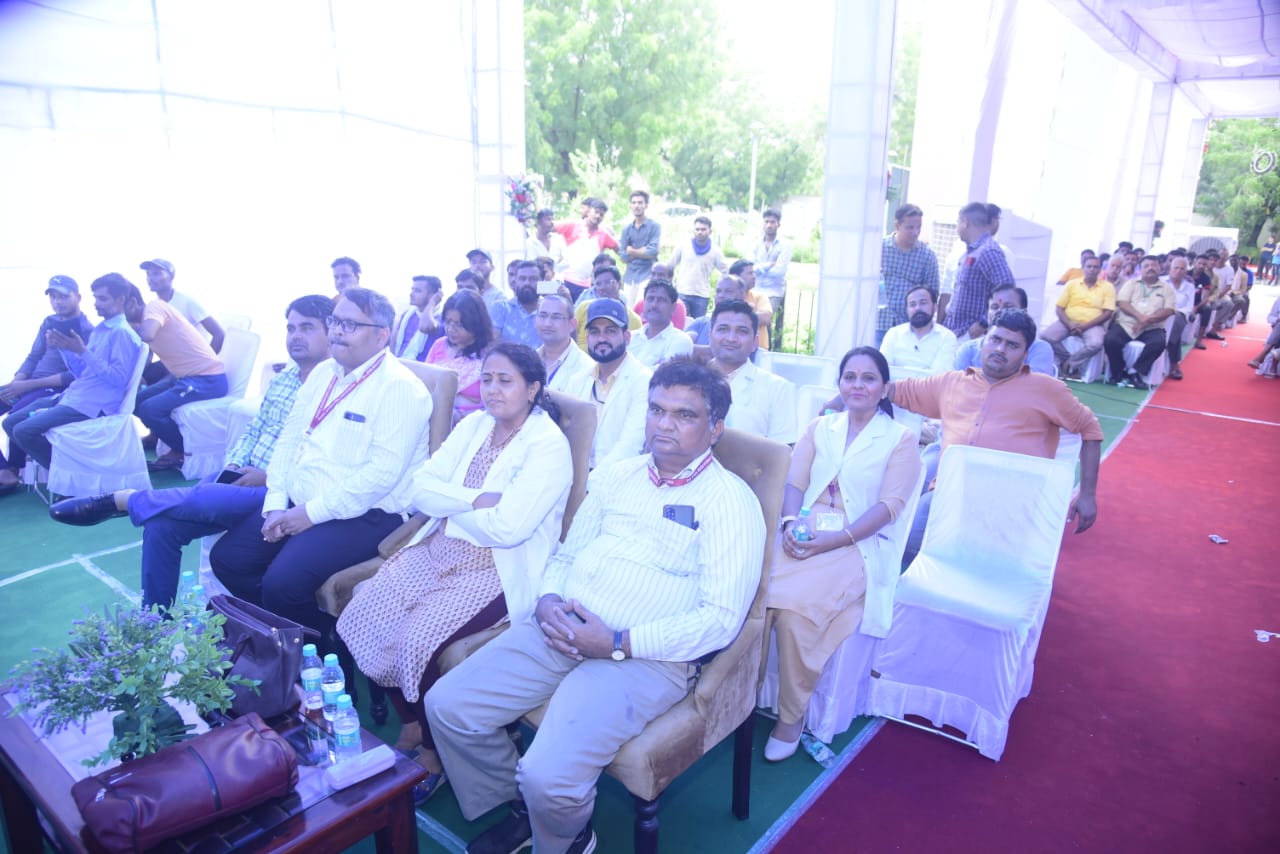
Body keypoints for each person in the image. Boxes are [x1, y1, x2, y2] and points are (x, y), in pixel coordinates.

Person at [424, 358, 765, 854]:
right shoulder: (617, 475)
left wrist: (617, 643)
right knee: (448, 707)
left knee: (546, 775)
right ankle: (527, 810)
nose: (664, 424)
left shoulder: (731, 502)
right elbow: (566, 555)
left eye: (685, 415)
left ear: (715, 429)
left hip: (645, 659)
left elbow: (720, 620)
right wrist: (548, 600)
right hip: (562, 628)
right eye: (656, 409)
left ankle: (566, 838)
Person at [338, 342, 573, 800]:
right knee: (363, 612)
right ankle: (411, 724)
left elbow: (508, 529)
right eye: (486, 379)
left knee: (418, 643)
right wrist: (476, 500)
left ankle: (433, 753)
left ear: (532, 389)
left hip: (496, 567)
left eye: (505, 381)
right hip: (439, 545)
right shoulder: (474, 425)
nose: (492, 390)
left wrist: (451, 503)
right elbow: (420, 489)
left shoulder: (547, 445)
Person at [47, 296, 335, 608]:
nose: (295, 336)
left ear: (332, 332)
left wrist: (266, 476)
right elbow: (253, 430)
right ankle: (155, 620)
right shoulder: (283, 380)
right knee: (161, 526)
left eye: (307, 328)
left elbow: (324, 458)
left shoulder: (336, 389)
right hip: (243, 475)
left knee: (205, 495)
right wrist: (235, 463)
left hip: (281, 490)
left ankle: (124, 500)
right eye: (291, 328)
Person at [210, 287, 432, 639]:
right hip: (302, 501)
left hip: (369, 513)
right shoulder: (324, 372)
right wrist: (275, 503)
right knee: (228, 559)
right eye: (335, 321)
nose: (337, 332)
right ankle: (288, 637)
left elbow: (381, 476)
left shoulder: (401, 389)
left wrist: (310, 514)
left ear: (382, 336)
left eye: (350, 325)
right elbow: (289, 441)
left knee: (283, 584)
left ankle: (326, 649)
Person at [764, 347, 922, 760]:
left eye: (868, 378)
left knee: (797, 616)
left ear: (884, 388)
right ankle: (739, 693)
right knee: (754, 597)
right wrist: (789, 525)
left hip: (857, 541)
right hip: (803, 528)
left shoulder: (901, 440)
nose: (857, 385)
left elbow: (889, 507)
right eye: (849, 376)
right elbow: (795, 483)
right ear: (840, 383)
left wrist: (835, 540)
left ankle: (791, 716)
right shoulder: (821, 427)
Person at [895, 309, 1104, 563]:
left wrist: (1087, 494)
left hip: (1009, 507)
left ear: (1025, 354)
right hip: (947, 496)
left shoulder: (1046, 390)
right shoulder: (952, 383)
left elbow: (1090, 429)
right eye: (995, 340)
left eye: (1012, 345)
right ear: (983, 342)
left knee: (982, 567)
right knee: (908, 548)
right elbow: (894, 391)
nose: (1000, 349)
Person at [4, 273, 144, 482]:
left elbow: (118, 379)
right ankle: (68, 470)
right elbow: (82, 373)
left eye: (102, 299)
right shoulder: (102, 330)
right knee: (11, 423)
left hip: (93, 404)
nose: (96, 304)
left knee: (24, 431)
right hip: (74, 396)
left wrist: (83, 351)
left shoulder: (121, 333)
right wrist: (66, 348)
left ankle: (75, 479)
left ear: (120, 300)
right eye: (95, 298)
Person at [0, 276, 96, 490]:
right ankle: (4, 471)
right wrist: (17, 382)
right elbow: (33, 356)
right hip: (28, 383)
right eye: (53, 297)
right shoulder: (49, 322)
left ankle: (13, 469)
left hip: (53, 389)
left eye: (63, 296)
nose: (57, 302)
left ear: (78, 297)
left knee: (15, 416)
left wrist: (27, 386)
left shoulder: (88, 331)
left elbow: (77, 375)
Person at [126, 289, 229, 471]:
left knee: (150, 409)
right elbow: (146, 349)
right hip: (182, 376)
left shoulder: (154, 308)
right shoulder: (143, 319)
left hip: (207, 379)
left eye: (111, 304)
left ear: (132, 302)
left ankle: (181, 451)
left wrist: (122, 327)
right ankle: (167, 437)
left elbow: (148, 335)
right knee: (134, 401)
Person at [561, 299, 651, 476]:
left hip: (618, 480)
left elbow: (630, 446)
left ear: (627, 337)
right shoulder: (577, 380)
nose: (601, 339)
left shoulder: (644, 381)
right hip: (572, 476)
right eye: (595, 332)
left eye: (610, 331)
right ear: (587, 338)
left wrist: (587, 483)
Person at [708, 299, 799, 443]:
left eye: (742, 331)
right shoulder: (687, 379)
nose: (731, 338)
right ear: (710, 335)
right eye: (723, 329)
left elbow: (783, 450)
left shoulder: (777, 388)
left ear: (755, 342)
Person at [940, 202, 1016, 337]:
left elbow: (1007, 292)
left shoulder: (988, 251)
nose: (957, 228)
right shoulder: (973, 250)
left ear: (964, 222)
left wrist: (984, 323)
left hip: (971, 334)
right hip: (955, 331)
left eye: (957, 223)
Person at [1103, 256, 1175, 389]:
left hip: (1152, 327)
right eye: (1146, 266)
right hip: (1127, 325)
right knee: (1110, 340)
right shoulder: (1130, 284)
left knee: (1158, 343)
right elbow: (1122, 303)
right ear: (1140, 269)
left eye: (1154, 265)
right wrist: (1140, 317)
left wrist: (1146, 321)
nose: (1150, 268)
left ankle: (1136, 371)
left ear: (1160, 268)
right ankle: (1119, 371)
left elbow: (1168, 310)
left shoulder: (1167, 289)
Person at [1038, 255, 1116, 379]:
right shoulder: (1072, 284)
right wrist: (1070, 324)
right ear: (1083, 268)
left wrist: (1085, 326)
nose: (1092, 269)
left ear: (1100, 270)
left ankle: (1070, 363)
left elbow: (1108, 313)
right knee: (1045, 336)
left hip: (1093, 324)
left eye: (1095, 267)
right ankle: (1066, 359)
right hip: (1068, 321)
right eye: (1089, 266)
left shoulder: (1108, 287)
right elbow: (1059, 308)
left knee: (1096, 343)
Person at [954, 285, 1056, 376]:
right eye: (994, 307)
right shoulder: (969, 349)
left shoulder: (1039, 349)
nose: (1000, 311)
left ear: (1024, 312)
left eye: (1008, 307)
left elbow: (1037, 387)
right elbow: (956, 385)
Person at [427, 289, 494, 423]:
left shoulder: (489, 356)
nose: (451, 329)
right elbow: (425, 385)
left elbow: (492, 402)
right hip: (434, 419)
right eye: (448, 321)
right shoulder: (439, 346)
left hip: (474, 423)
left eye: (459, 324)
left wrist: (460, 416)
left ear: (475, 324)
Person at [877, 204, 940, 346]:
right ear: (897, 225)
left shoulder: (927, 256)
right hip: (878, 323)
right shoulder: (879, 248)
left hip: (908, 327)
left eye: (919, 227)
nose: (915, 232)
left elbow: (933, 293)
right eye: (910, 227)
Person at [139, 258, 226, 353]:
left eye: (156, 274)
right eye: (148, 274)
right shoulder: (155, 307)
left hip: (196, 358)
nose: (150, 278)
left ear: (171, 276)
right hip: (177, 360)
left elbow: (219, 334)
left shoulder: (187, 301)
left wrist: (206, 360)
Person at [878, 286, 957, 375]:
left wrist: (899, 371)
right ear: (907, 310)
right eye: (912, 304)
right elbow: (883, 371)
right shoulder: (893, 334)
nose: (917, 308)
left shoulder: (947, 337)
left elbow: (940, 376)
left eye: (923, 303)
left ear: (935, 307)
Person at [557, 198, 619, 301]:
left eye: (601, 214)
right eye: (596, 212)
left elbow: (621, 251)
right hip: (563, 280)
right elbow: (549, 227)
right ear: (589, 211)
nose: (598, 216)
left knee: (582, 310)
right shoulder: (573, 225)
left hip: (585, 286)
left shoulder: (604, 235)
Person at [669, 215, 729, 320]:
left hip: (702, 296)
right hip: (683, 292)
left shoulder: (715, 251)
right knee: (681, 323)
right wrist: (671, 284)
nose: (700, 232)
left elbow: (726, 271)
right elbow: (670, 265)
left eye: (703, 229)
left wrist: (720, 288)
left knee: (698, 324)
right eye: (697, 229)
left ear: (710, 231)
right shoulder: (684, 246)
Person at [534, 288, 592, 393]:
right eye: (543, 316)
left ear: (572, 324)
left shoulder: (587, 368)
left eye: (556, 317)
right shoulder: (529, 360)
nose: (547, 323)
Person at [628, 279, 694, 368]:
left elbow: (662, 374)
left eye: (661, 300)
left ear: (673, 307)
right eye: (650, 299)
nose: (654, 305)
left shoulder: (681, 341)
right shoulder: (630, 338)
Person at [573, 265, 642, 348]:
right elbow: (569, 333)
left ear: (619, 284)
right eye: (598, 284)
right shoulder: (584, 307)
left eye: (608, 282)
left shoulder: (634, 320)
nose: (602, 288)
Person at [753, 208, 791, 348]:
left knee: (764, 321)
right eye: (767, 221)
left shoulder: (785, 245)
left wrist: (759, 268)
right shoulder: (756, 243)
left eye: (772, 222)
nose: (769, 225)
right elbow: (750, 267)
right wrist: (769, 265)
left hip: (773, 291)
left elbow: (780, 271)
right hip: (755, 289)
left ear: (778, 224)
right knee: (750, 320)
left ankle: (765, 350)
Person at [619, 190, 661, 303]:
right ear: (630, 205)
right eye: (634, 203)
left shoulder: (654, 226)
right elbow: (623, 256)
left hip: (647, 274)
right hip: (630, 276)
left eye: (640, 203)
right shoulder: (626, 229)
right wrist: (642, 251)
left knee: (642, 306)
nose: (636, 206)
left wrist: (631, 251)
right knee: (628, 308)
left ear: (646, 205)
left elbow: (653, 251)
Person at [489, 261, 542, 348]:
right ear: (515, 282)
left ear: (542, 282)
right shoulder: (501, 308)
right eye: (522, 278)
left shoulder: (549, 311)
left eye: (533, 279)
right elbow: (492, 344)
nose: (527, 283)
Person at [391, 275, 444, 361]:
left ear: (433, 295)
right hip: (398, 362)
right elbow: (394, 341)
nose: (411, 294)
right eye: (412, 289)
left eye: (417, 291)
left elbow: (425, 327)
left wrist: (432, 302)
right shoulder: (408, 315)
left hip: (421, 366)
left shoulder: (441, 318)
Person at [1163, 256, 1196, 381]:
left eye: (1182, 269)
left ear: (1186, 271)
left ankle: (1172, 361)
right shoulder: (1161, 282)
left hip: (1179, 314)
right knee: (1173, 329)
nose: (1178, 271)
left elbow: (1189, 307)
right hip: (1161, 313)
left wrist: (1173, 312)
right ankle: (1174, 364)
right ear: (1170, 269)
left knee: (1175, 323)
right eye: (1176, 268)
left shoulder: (1189, 287)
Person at [526, 208, 568, 276]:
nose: (552, 222)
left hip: (558, 280)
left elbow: (567, 262)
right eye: (548, 219)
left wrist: (547, 263)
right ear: (539, 222)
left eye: (552, 219)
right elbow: (532, 265)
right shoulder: (530, 242)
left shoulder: (558, 239)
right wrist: (556, 260)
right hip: (539, 281)